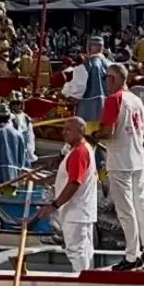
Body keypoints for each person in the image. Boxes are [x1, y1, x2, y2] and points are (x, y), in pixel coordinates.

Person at [97, 63, 144, 270]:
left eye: (106, 78)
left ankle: (132, 256)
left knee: (125, 210)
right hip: (138, 160)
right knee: (141, 206)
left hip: (120, 162)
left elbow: (108, 131)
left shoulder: (114, 99)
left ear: (112, 79)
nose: (105, 82)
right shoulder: (137, 100)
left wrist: (92, 135)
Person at [44, 116, 100, 273]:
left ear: (80, 131)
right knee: (85, 252)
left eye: (68, 129)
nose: (63, 133)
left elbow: (74, 183)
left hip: (75, 212)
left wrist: (54, 204)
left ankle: (82, 284)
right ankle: (87, 279)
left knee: (77, 251)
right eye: (63, 129)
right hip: (82, 212)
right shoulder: (82, 149)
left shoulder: (79, 153)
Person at [0, 106, 31, 188]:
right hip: (13, 178)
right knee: (8, 194)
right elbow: (23, 157)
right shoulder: (19, 135)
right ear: (9, 117)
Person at [76, 37, 110, 129]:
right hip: (109, 109)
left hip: (88, 111)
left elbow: (77, 89)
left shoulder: (88, 65)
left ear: (89, 47)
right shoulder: (112, 65)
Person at [6, 92, 38, 169]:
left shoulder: (25, 118)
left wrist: (30, 152)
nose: (17, 106)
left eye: (18, 103)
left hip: (23, 149)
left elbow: (30, 137)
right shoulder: (8, 117)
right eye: (14, 103)